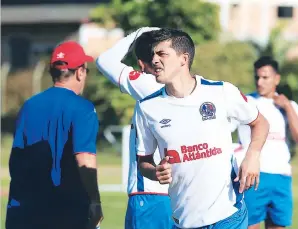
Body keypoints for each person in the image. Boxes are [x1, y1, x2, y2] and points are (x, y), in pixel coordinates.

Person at [135, 28, 270, 229]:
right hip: (184, 220)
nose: (154, 60)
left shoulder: (220, 91)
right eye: (153, 54)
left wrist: (253, 156)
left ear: (183, 58)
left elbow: (260, 122)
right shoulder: (147, 107)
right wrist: (155, 173)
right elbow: (143, 161)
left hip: (229, 215)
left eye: (162, 54)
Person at [6, 41, 103, 229]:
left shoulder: (29, 106)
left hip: (25, 211)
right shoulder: (83, 108)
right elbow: (84, 158)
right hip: (67, 211)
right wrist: (95, 201)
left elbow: (16, 159)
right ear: (80, 72)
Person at [96, 27, 173, 229]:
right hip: (184, 196)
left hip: (150, 194)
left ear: (141, 64)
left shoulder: (149, 85)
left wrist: (140, 32)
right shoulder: (193, 87)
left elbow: (104, 61)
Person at [234, 56, 298, 229]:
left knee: (277, 225)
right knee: (250, 225)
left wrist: (287, 106)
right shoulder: (245, 103)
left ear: (277, 78)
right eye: (257, 77)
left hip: (281, 176)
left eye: (265, 77)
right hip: (253, 175)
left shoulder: (290, 106)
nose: (260, 82)